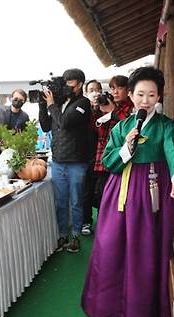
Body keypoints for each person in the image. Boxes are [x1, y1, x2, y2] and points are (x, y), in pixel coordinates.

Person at [82, 66, 174, 317]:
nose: (145, 100)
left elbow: (173, 152)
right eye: (140, 94)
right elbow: (108, 162)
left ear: (159, 96)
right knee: (111, 246)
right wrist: (126, 147)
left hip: (152, 191)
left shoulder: (166, 126)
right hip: (121, 193)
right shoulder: (120, 127)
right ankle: (110, 310)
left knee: (148, 249)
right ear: (130, 95)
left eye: (151, 94)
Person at [39, 68, 92, 253]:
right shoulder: (59, 103)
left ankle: (76, 236)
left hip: (77, 161)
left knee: (76, 200)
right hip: (58, 160)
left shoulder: (84, 103)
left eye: (71, 82)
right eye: (66, 82)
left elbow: (65, 122)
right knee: (61, 201)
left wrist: (52, 104)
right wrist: (42, 104)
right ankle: (62, 235)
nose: (67, 86)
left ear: (80, 84)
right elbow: (46, 126)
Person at [90, 75, 134, 222]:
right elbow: (95, 129)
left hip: (122, 160)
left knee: (120, 197)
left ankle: (117, 226)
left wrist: (112, 111)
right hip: (104, 158)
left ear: (128, 90)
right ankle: (106, 226)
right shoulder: (107, 104)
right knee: (101, 196)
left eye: (120, 88)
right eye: (113, 88)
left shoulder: (131, 106)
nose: (115, 92)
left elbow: (129, 125)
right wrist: (96, 110)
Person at [81, 79, 102, 235]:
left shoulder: (106, 109)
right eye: (91, 90)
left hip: (102, 158)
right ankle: (86, 222)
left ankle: (103, 221)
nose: (94, 93)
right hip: (86, 156)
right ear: (86, 93)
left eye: (97, 89)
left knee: (102, 192)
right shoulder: (82, 110)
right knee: (86, 192)